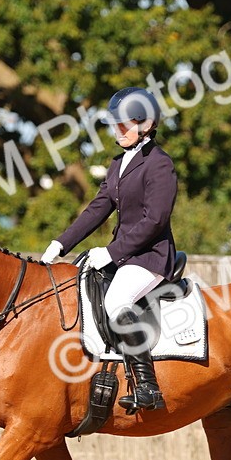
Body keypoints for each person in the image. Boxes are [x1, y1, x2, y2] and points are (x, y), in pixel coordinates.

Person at [40, 87, 178, 412]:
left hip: (150, 257)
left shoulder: (160, 164)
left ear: (146, 125)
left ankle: (148, 387)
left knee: (117, 300)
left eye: (124, 124)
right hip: (125, 255)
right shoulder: (118, 164)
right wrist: (60, 244)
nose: (117, 131)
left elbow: (155, 220)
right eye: (115, 124)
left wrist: (111, 252)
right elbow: (97, 209)